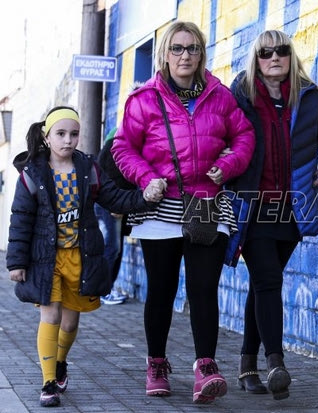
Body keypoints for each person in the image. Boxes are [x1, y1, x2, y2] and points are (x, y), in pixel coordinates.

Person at [111, 21, 255, 404]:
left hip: (207, 204)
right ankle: (156, 364)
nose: (185, 55)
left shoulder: (220, 96)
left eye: (192, 48)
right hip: (161, 207)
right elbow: (123, 148)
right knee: (161, 289)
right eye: (177, 48)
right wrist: (146, 179)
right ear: (164, 54)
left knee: (203, 288)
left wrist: (228, 165)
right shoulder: (143, 99)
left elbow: (244, 136)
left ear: (201, 54)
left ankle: (205, 367)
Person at [226, 30, 318, 400]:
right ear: (256, 58)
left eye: (281, 51)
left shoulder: (309, 98)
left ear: (290, 55)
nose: (274, 58)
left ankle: (247, 364)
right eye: (265, 52)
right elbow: (220, 136)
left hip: (292, 210)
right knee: (268, 280)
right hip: (251, 208)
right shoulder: (241, 95)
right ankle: (276, 364)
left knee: (263, 283)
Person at [6, 106, 160, 407]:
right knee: (50, 316)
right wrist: (16, 262)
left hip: (80, 259)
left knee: (69, 323)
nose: (68, 140)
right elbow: (20, 219)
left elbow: (115, 198)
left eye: (74, 134)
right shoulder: (33, 174)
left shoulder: (89, 169)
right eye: (61, 134)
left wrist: (144, 197)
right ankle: (48, 382)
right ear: (47, 137)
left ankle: (60, 362)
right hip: (46, 260)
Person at [95, 127, 131, 305]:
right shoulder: (116, 144)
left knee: (115, 248)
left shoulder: (116, 141)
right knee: (112, 247)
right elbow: (111, 177)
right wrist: (115, 203)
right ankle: (104, 291)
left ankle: (107, 288)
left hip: (113, 204)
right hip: (110, 206)